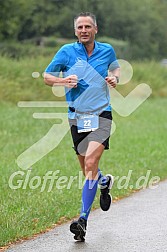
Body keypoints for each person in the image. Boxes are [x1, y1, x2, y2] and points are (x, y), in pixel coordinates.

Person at [44, 12, 120, 242]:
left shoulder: (107, 49)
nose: (84, 30)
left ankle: (82, 221)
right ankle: (104, 183)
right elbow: (47, 76)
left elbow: (116, 68)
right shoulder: (66, 52)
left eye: (88, 26)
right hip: (76, 117)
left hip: (101, 115)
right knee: (88, 171)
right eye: (80, 27)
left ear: (96, 29)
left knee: (90, 163)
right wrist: (62, 81)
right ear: (75, 31)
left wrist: (114, 77)